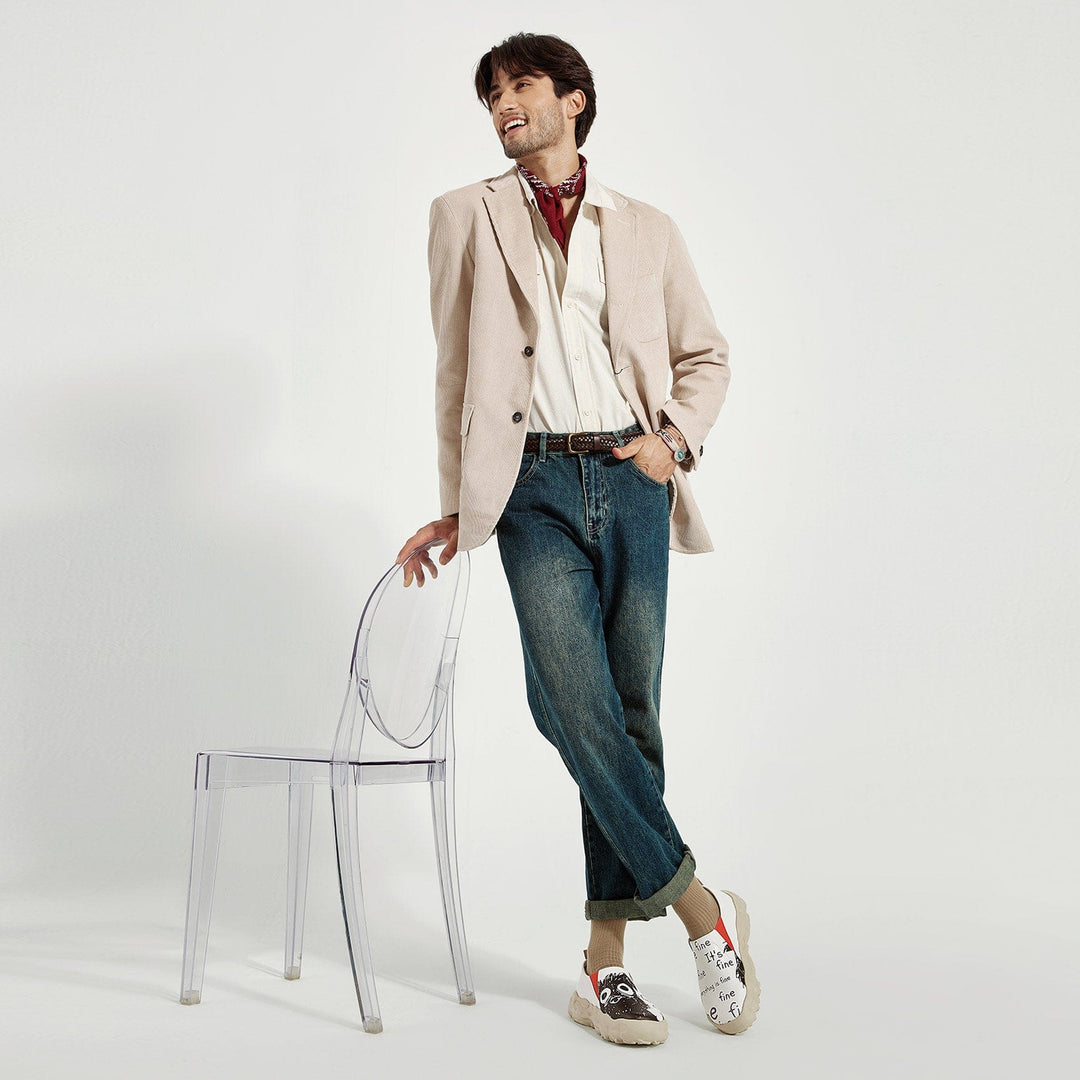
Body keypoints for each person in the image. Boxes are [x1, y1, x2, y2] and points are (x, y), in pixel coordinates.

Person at [395, 31, 759, 1045]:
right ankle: (704, 911)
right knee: (570, 702)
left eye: (521, 86)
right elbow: (456, 375)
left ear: (573, 101)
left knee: (630, 714)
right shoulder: (463, 216)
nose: (503, 104)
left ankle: (605, 966)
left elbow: (706, 355)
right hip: (530, 486)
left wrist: (671, 445)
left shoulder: (645, 228)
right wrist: (459, 503)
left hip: (632, 478)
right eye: (491, 95)